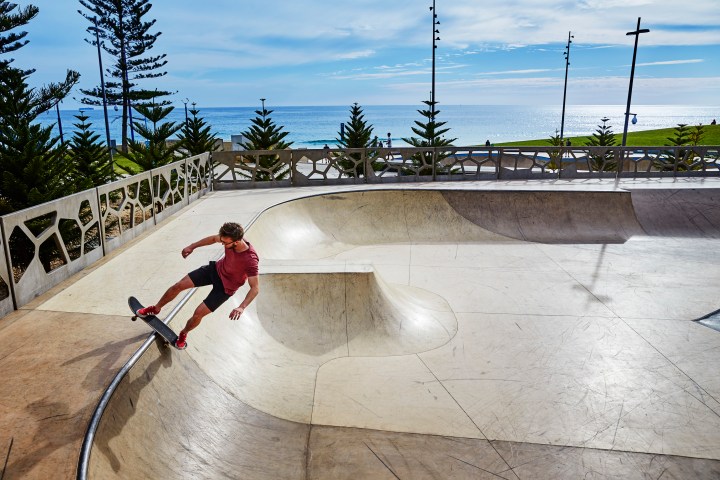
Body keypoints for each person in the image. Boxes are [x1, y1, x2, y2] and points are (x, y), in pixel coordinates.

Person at [137, 222, 260, 349]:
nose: (222, 244)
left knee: (198, 313)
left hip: (226, 288)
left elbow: (255, 288)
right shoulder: (228, 237)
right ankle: (156, 308)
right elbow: (213, 239)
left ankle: (183, 333)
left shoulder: (250, 260)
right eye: (222, 241)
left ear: (237, 241)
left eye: (225, 243)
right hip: (215, 270)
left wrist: (241, 307)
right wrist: (192, 246)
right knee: (178, 286)